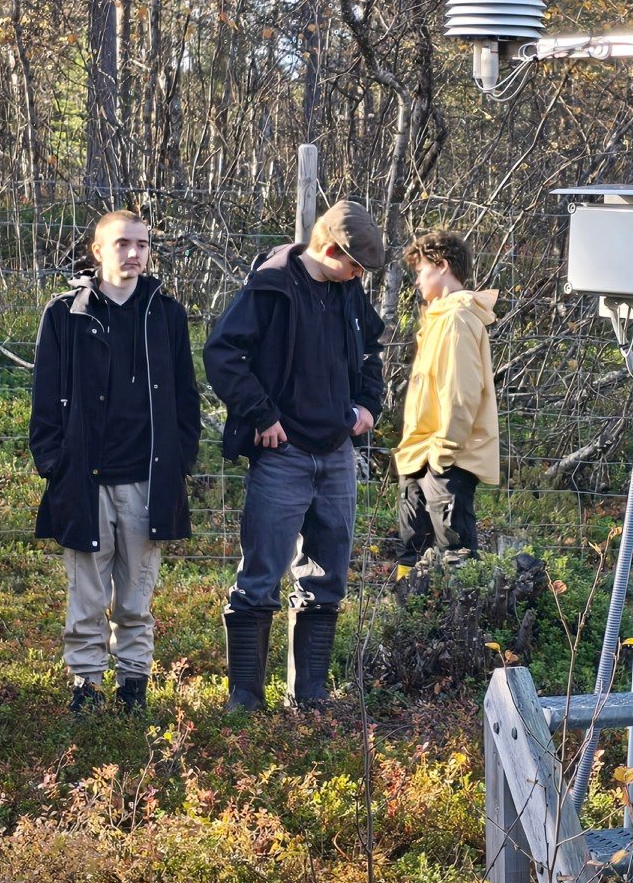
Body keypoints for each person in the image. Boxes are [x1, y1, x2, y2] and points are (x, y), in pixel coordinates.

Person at [204, 200, 385, 713]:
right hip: (282, 453)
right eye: (354, 265)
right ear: (329, 249)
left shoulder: (348, 291)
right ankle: (246, 699)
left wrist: (368, 404)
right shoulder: (272, 286)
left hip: (336, 454)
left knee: (327, 576)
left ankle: (309, 697)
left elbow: (372, 351)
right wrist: (261, 416)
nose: (358, 276)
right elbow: (222, 353)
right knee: (261, 574)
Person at [31, 208, 200, 717]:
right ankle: (85, 686)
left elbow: (185, 396)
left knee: (135, 598)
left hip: (148, 481)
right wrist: (54, 463)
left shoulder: (165, 313)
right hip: (84, 478)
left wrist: (180, 462)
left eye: (142, 244)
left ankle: (133, 687)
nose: (134, 253)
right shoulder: (67, 314)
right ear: (98, 250)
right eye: (123, 243)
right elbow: (45, 395)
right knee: (85, 596)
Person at [392, 228, 499, 567]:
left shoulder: (456, 318)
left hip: (444, 459)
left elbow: (461, 392)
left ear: (441, 265)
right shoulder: (438, 319)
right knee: (412, 558)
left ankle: (453, 622)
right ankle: (409, 621)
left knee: (454, 558)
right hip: (419, 456)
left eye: (421, 271)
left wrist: (444, 450)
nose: (417, 281)